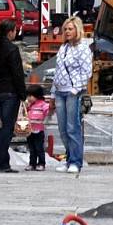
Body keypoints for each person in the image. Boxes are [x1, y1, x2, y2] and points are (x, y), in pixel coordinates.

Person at [0, 19, 27, 173]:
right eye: (15, 31)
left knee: (5, 127)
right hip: (10, 92)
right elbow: (17, 74)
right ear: (10, 32)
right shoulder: (12, 50)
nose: (16, 33)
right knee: (7, 129)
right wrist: (23, 94)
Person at [52, 16, 93, 174]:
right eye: (65, 29)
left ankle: (76, 161)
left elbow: (87, 71)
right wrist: (52, 93)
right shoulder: (64, 47)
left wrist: (75, 89)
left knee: (72, 127)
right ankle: (69, 158)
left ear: (77, 30)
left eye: (70, 29)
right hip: (59, 91)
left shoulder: (83, 48)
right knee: (62, 129)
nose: (67, 32)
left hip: (72, 92)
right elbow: (57, 71)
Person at [24, 84, 51, 171]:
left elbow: (48, 111)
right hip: (30, 130)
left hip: (39, 130)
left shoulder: (43, 105)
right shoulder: (29, 105)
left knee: (39, 148)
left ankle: (41, 163)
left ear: (37, 96)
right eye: (28, 96)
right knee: (31, 148)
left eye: (30, 96)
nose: (28, 98)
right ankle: (32, 164)